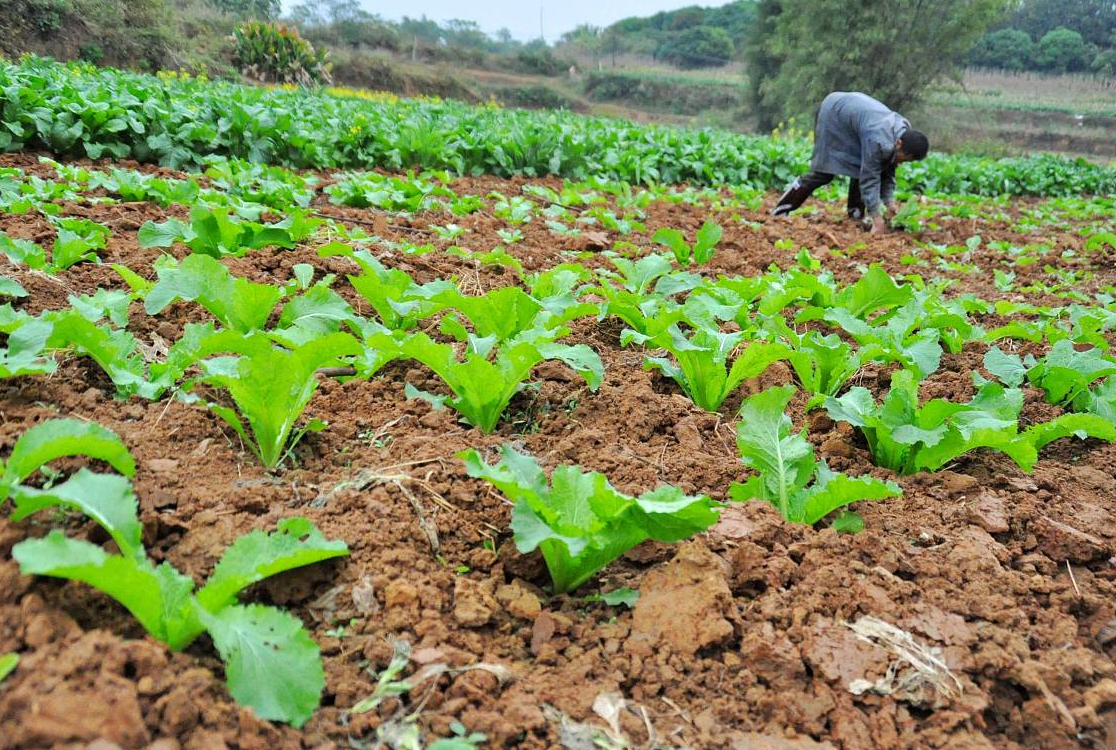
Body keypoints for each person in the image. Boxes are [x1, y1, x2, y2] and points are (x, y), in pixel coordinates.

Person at [772, 92, 929, 234]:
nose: (901, 163)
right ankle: (780, 210)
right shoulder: (878, 139)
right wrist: (877, 218)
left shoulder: (902, 132)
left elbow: (888, 167)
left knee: (864, 166)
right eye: (904, 158)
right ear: (899, 144)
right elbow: (870, 176)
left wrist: (889, 202)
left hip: (854, 118)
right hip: (833, 114)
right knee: (823, 174)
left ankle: (855, 216)